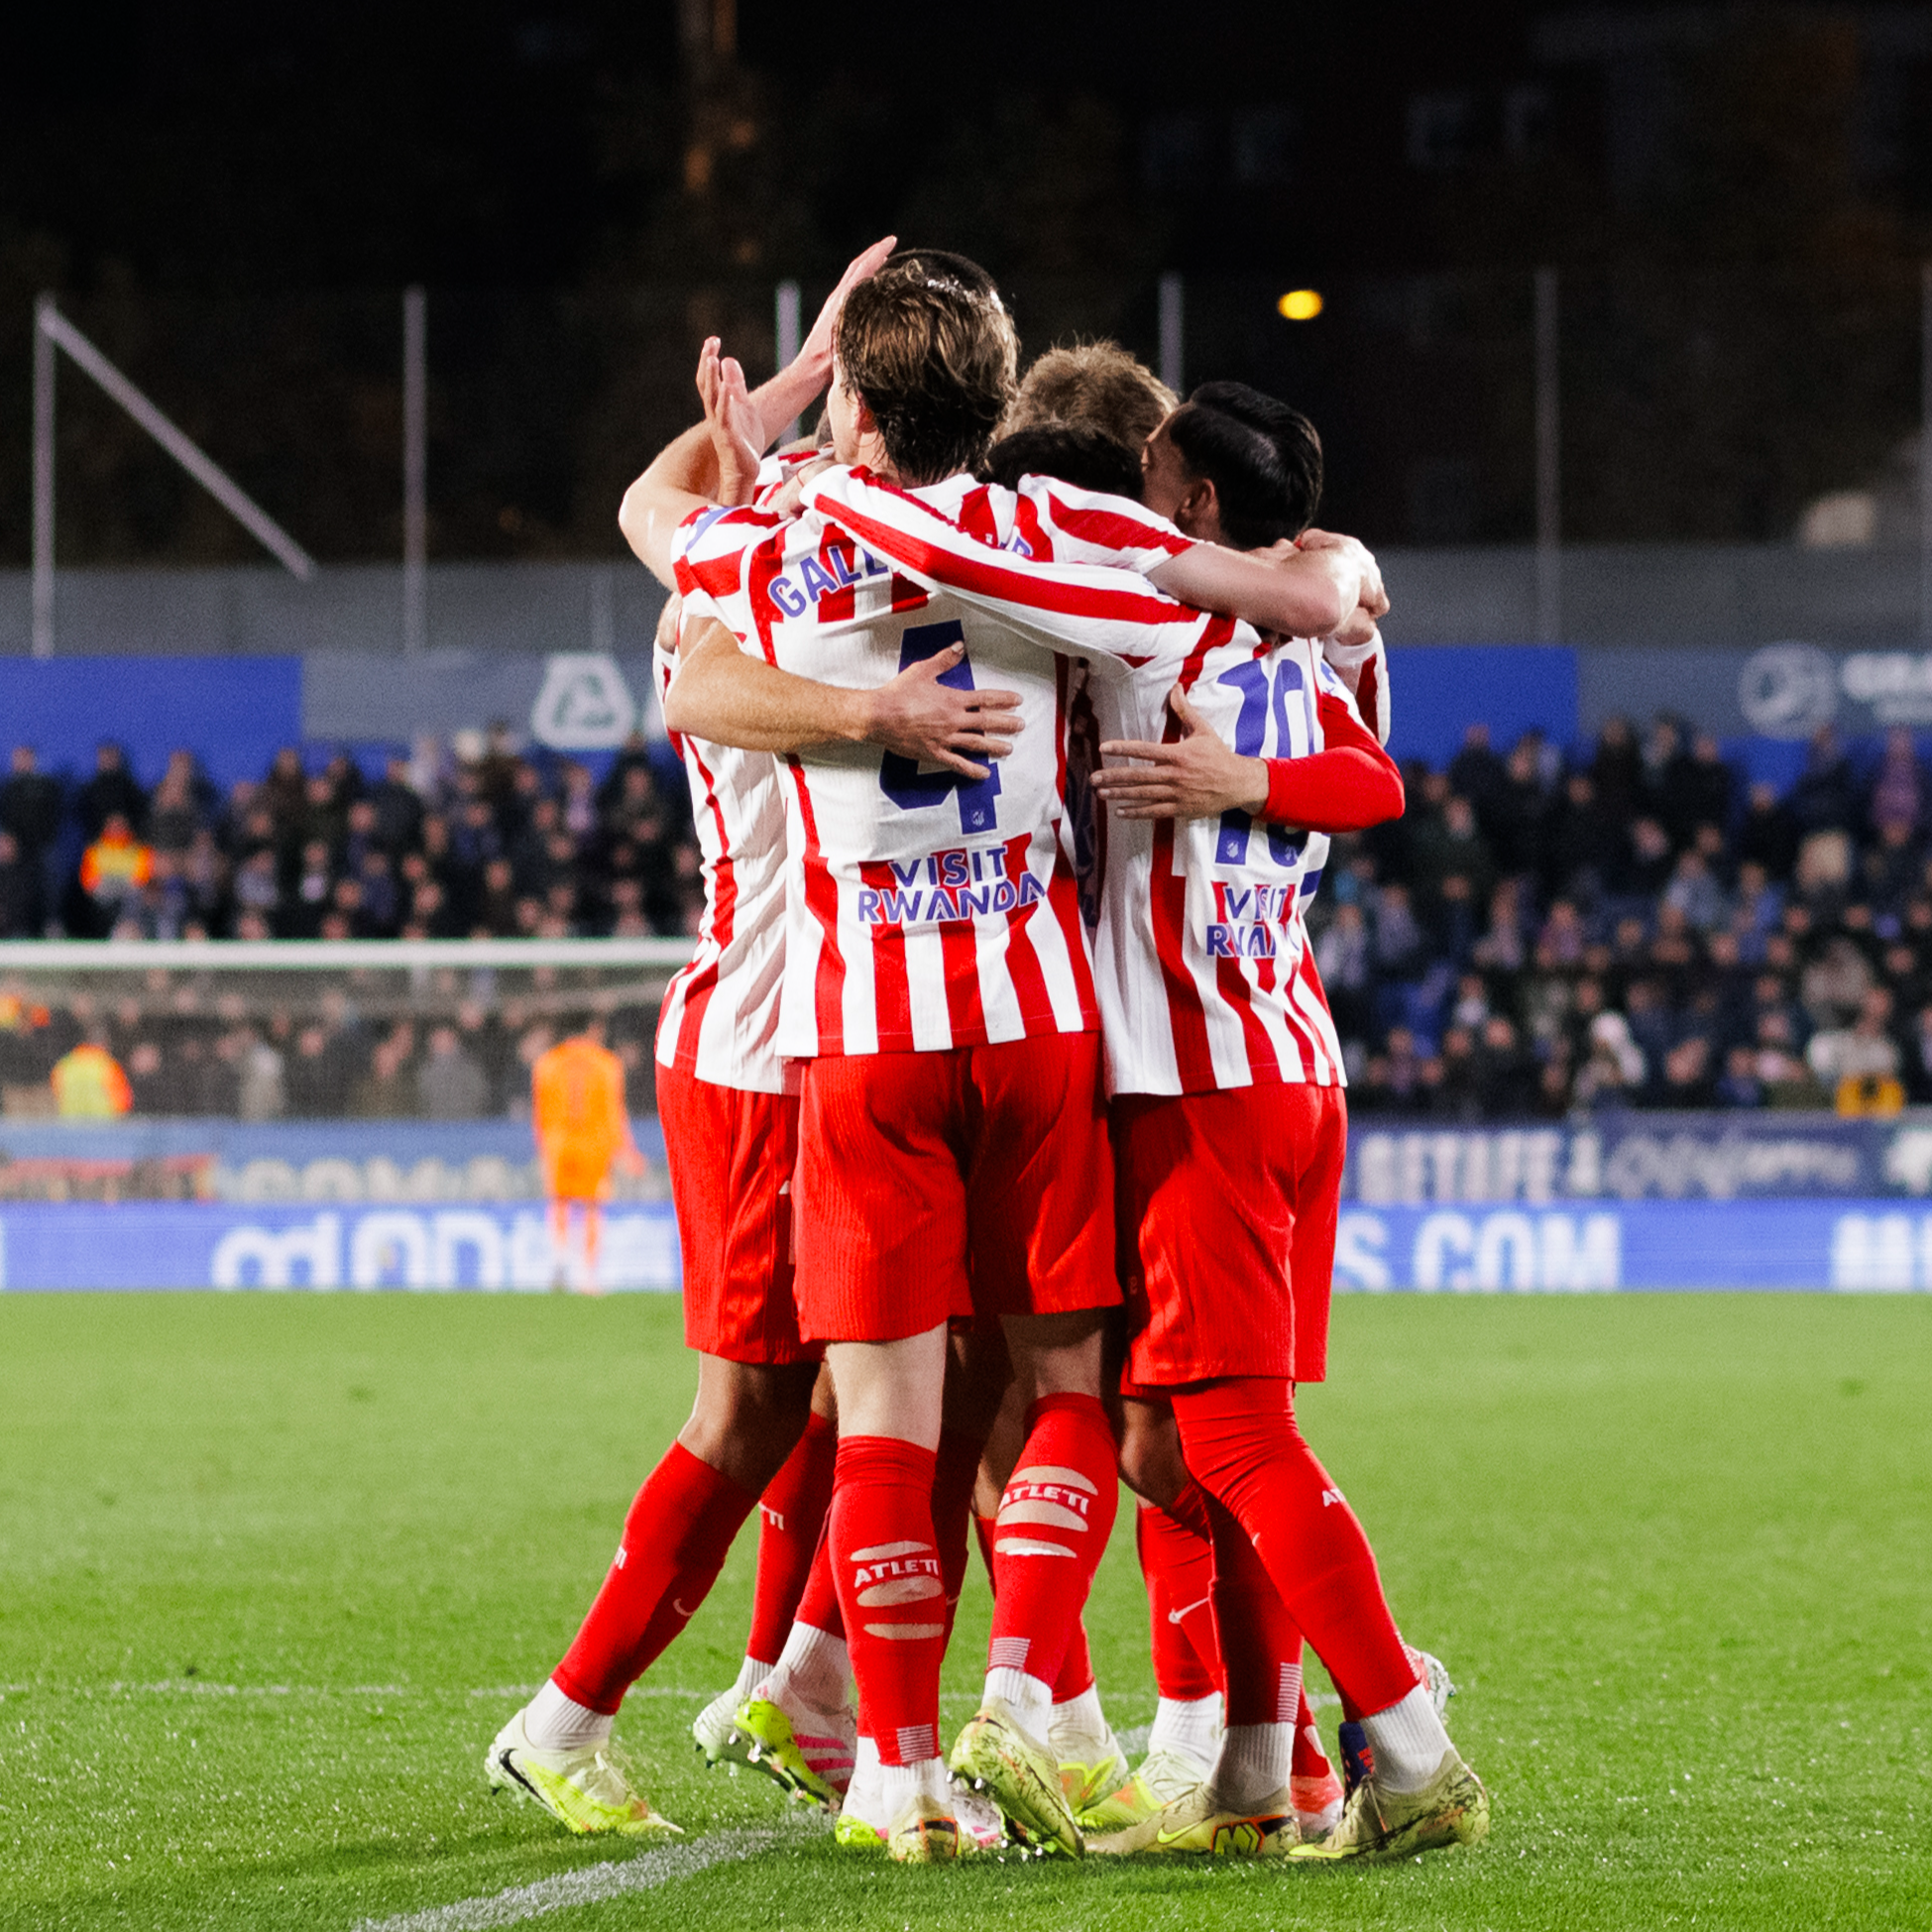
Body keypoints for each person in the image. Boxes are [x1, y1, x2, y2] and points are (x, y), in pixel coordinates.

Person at [815, 382, 1488, 1863]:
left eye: (1154, 468)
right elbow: (1374, 770)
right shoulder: (1308, 640)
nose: (1134, 478)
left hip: (1197, 1088)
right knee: (1182, 1439)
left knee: (1231, 1435)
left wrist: (818, 487)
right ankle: (1258, 1758)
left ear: (1179, 508)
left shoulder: (1133, 617)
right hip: (1293, 1062)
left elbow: (978, 560)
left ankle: (1408, 1745)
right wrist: (1263, 764)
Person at [485, 238, 1023, 1847]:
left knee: (882, 1380)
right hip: (767, 1030)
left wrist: (771, 392)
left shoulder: (742, 532)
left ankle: (809, 1682)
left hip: (837, 1031)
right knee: (755, 1406)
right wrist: (878, 707)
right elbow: (706, 672)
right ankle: (570, 1714)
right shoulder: (795, 565)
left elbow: (653, 504)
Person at [528, 1018, 646, 1295]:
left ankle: (559, 1258)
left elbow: (539, 1115)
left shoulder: (547, 1063)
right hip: (593, 1144)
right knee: (593, 1207)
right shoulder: (607, 1063)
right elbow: (615, 1113)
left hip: (558, 1143)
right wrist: (627, 1151)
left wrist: (543, 1148)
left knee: (560, 1202)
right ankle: (588, 1275)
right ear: (593, 1029)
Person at [52, 1035, 133, 1118]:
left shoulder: (63, 1066)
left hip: (70, 1126)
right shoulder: (109, 1065)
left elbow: (54, 1097)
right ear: (104, 1044)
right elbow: (123, 1103)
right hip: (104, 1126)